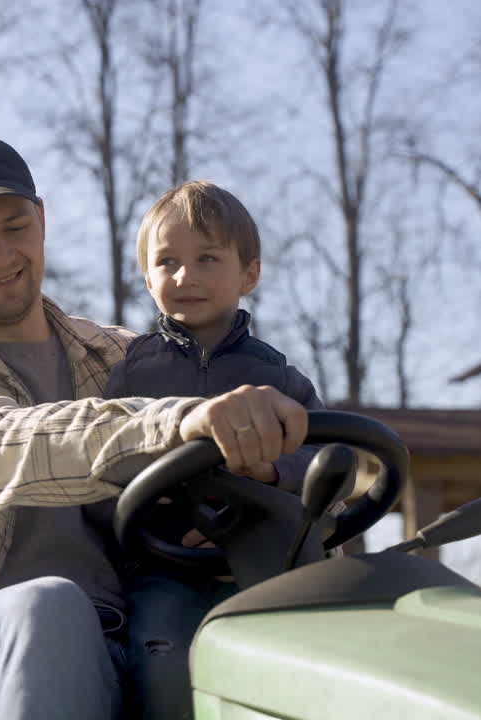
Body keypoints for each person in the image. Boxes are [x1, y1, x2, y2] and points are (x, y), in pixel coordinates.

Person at [0, 135, 309, 720]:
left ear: (41, 222)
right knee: (48, 610)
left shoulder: (126, 358)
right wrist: (174, 420)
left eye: (15, 228)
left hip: (142, 627)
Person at [105, 180, 326, 717]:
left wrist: (272, 472)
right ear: (147, 275)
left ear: (249, 273)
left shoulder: (277, 379)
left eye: (207, 258)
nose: (185, 277)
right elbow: (97, 463)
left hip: (266, 566)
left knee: (295, 670)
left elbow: (326, 461)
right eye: (167, 262)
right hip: (163, 569)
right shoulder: (130, 374)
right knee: (163, 661)